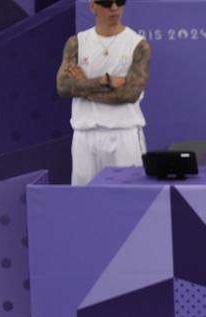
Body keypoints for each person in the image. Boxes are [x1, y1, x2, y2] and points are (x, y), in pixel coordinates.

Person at [55, 0, 151, 186]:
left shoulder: (138, 45)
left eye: (119, 2)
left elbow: (129, 94)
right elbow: (63, 87)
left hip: (124, 135)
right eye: (107, 2)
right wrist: (104, 80)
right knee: (84, 202)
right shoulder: (76, 43)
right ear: (93, 6)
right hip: (85, 135)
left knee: (128, 200)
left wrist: (83, 86)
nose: (114, 8)